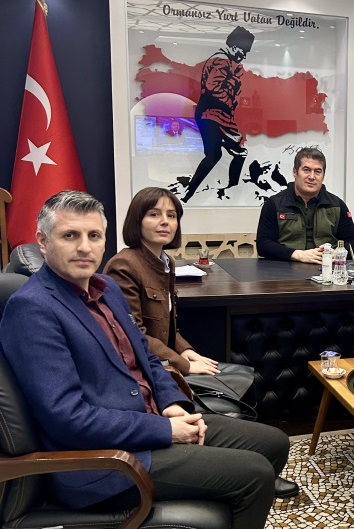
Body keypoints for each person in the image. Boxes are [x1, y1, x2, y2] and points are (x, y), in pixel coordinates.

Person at [0, 190, 291, 529]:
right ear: (42, 241)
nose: (85, 247)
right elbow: (68, 418)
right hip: (100, 460)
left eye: (94, 236)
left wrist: (173, 403)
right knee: (254, 476)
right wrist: (165, 430)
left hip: (148, 421)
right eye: (70, 236)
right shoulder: (33, 308)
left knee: (272, 444)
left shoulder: (105, 288)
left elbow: (149, 361)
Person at [104, 186, 298, 499]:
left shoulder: (165, 261)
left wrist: (188, 350)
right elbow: (134, 336)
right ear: (137, 221)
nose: (164, 222)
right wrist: (183, 364)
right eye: (154, 214)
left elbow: (168, 326)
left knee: (247, 376)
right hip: (153, 371)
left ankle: (258, 466)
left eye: (171, 215)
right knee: (235, 382)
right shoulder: (124, 265)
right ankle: (238, 469)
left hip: (169, 359)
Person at [182, 26, 255, 203]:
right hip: (213, 115)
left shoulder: (223, 61)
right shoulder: (222, 62)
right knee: (238, 153)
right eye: (243, 51)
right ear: (234, 47)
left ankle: (188, 194)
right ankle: (232, 192)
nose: (244, 56)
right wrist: (230, 103)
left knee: (215, 155)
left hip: (211, 115)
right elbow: (214, 88)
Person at [256, 147, 354, 264]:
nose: (311, 177)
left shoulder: (337, 205)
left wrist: (337, 253)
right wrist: (297, 254)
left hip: (327, 267)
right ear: (295, 172)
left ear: (323, 175)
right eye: (306, 170)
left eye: (317, 171)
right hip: (287, 267)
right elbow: (263, 245)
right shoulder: (274, 204)